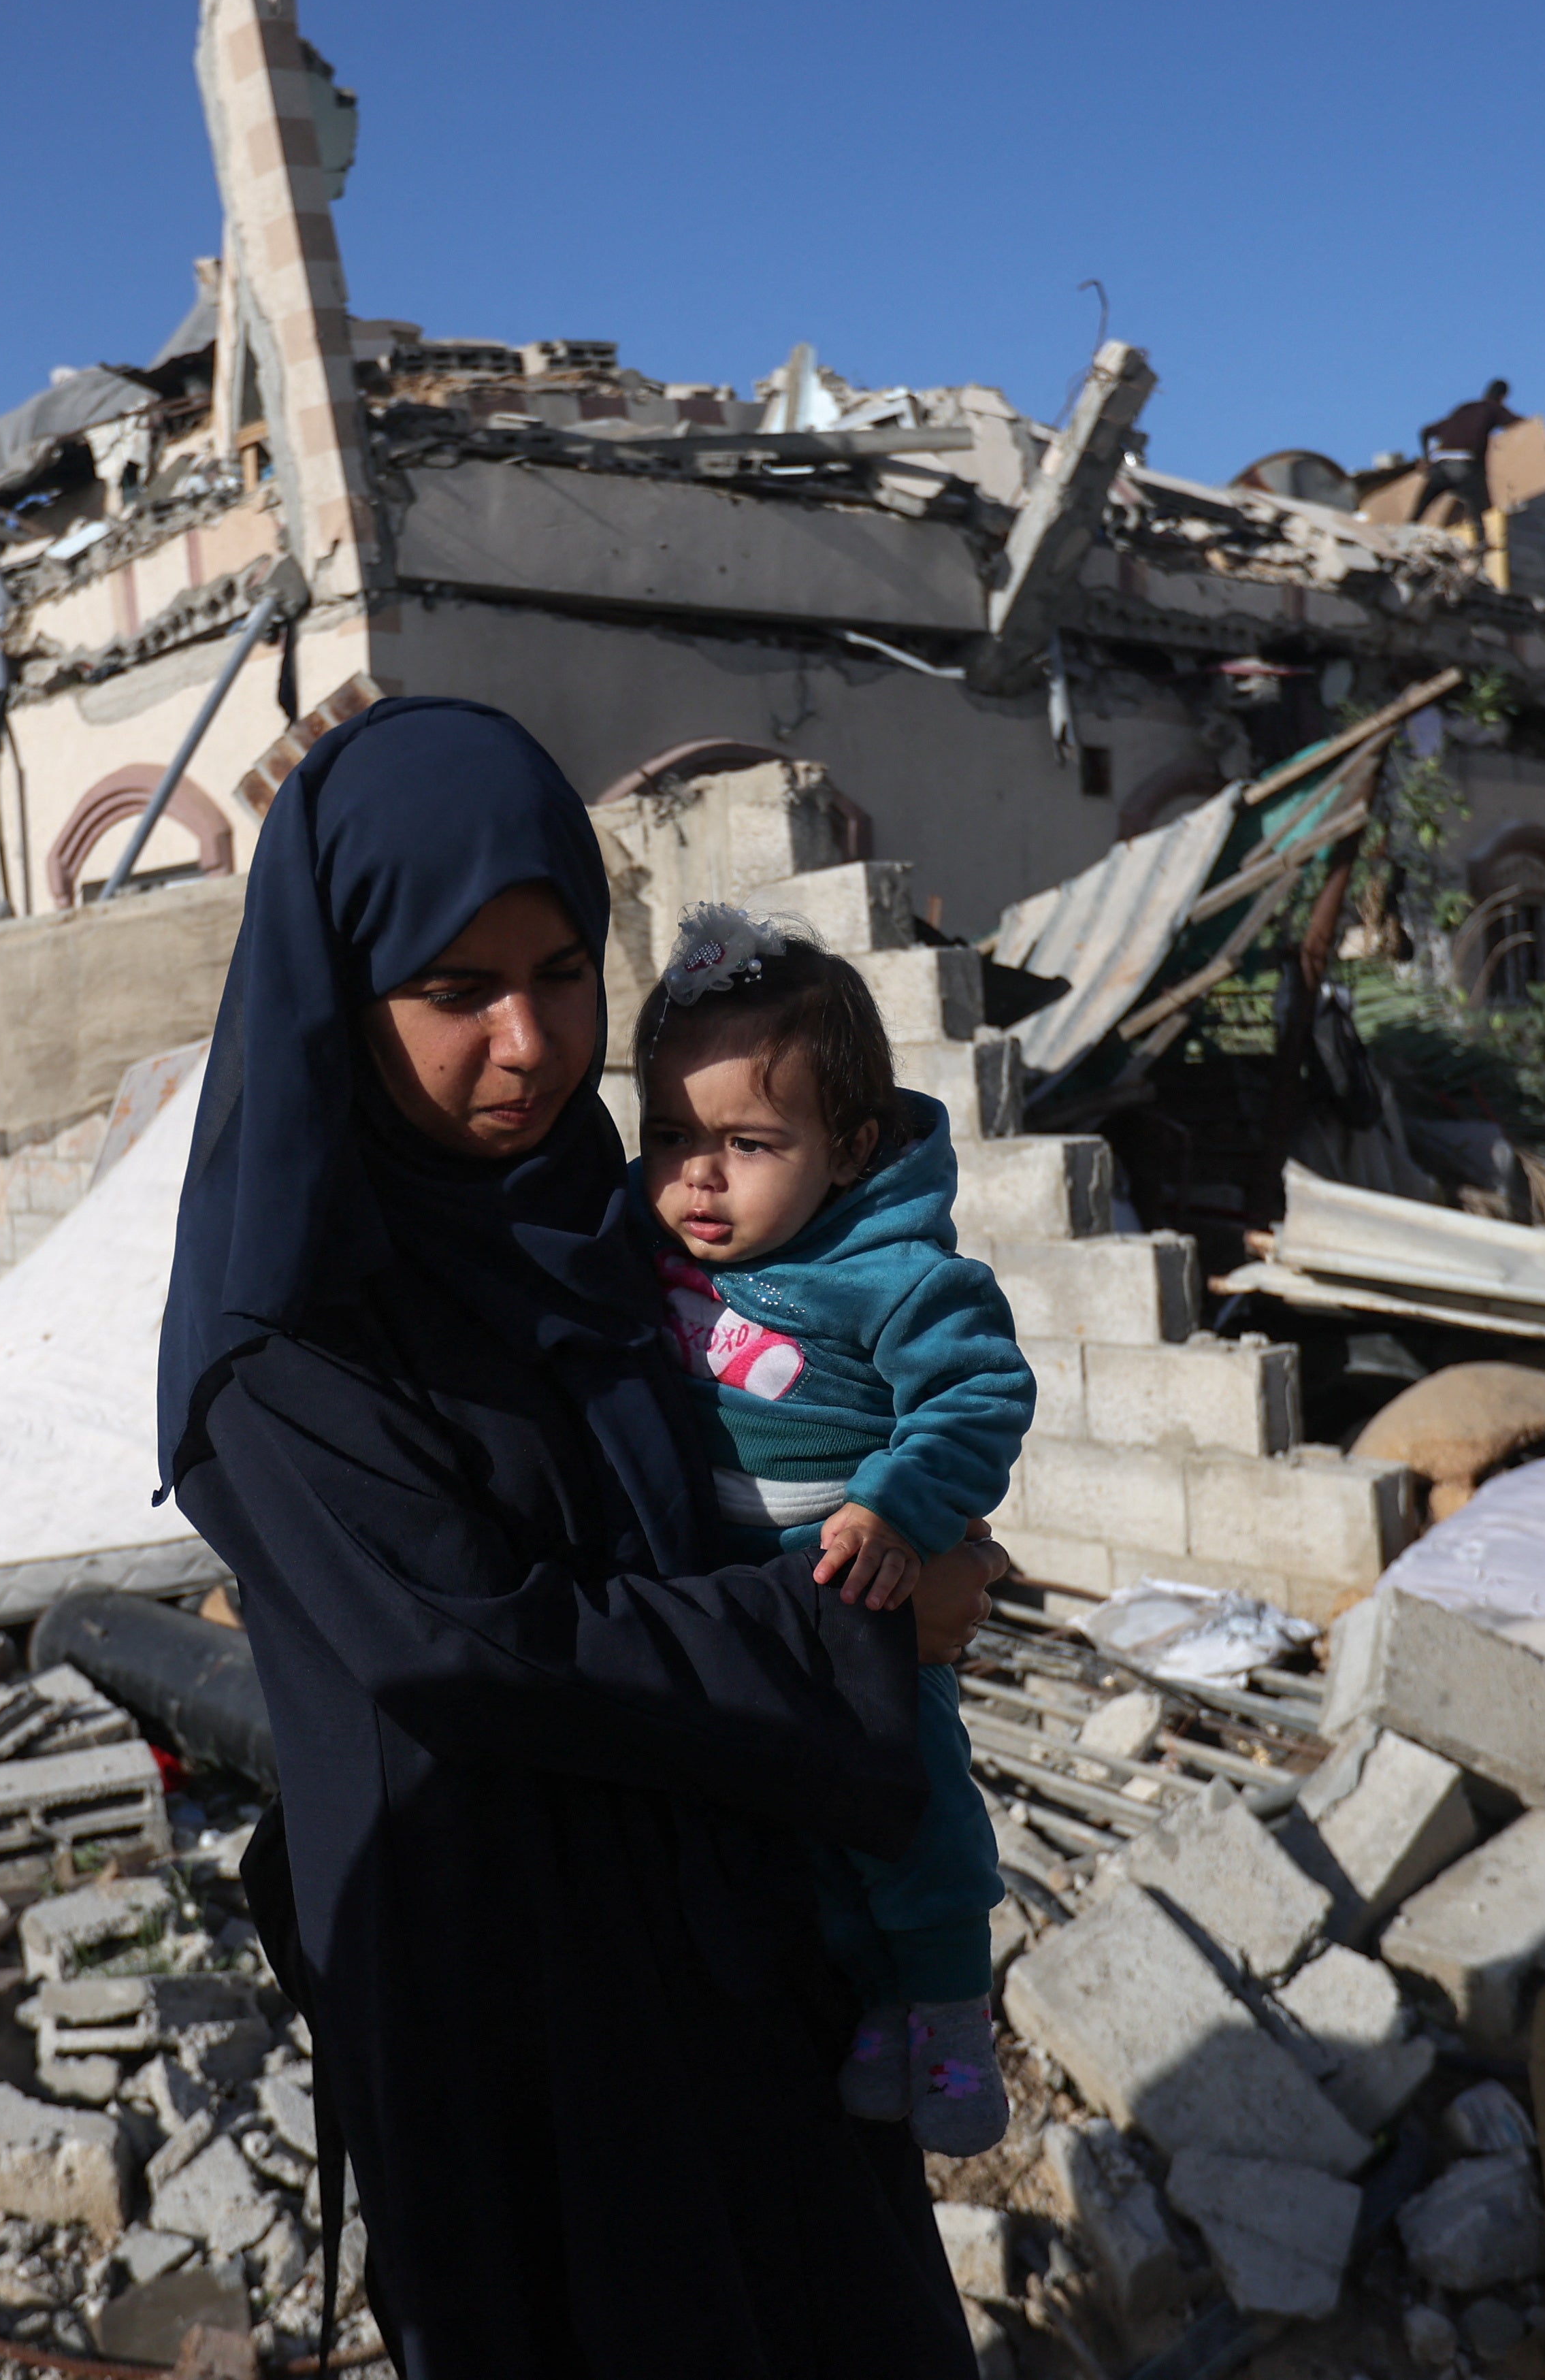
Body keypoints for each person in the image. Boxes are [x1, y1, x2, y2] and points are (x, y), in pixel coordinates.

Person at [162, 697, 1006, 2378]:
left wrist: (904, 1520)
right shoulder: (285, 1335)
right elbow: (475, 1644)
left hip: (738, 1935)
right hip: (513, 2007)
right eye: (454, 990)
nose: (530, 1043)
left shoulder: (598, 1214)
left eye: (559, 971)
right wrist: (858, 1631)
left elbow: (784, 1425)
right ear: (341, 987)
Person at [630, 904, 1035, 2158]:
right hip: (744, 1615)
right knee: (805, 1829)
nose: (701, 1176)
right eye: (670, 1137)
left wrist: (898, 1508)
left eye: (749, 1142)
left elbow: (982, 1394)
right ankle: (875, 2002)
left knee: (904, 1799)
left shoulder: (897, 1272)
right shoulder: (657, 1254)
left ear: (851, 1147)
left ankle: (953, 2005)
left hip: (862, 1583)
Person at [1414, 378, 1520, 528]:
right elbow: (1520, 425)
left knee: (1419, 510)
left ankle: (1403, 536)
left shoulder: (1464, 409)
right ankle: (1482, 543)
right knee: (1480, 508)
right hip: (1464, 467)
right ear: (1502, 397)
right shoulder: (1493, 408)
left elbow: (1426, 431)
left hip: (1440, 466)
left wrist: (1428, 459)